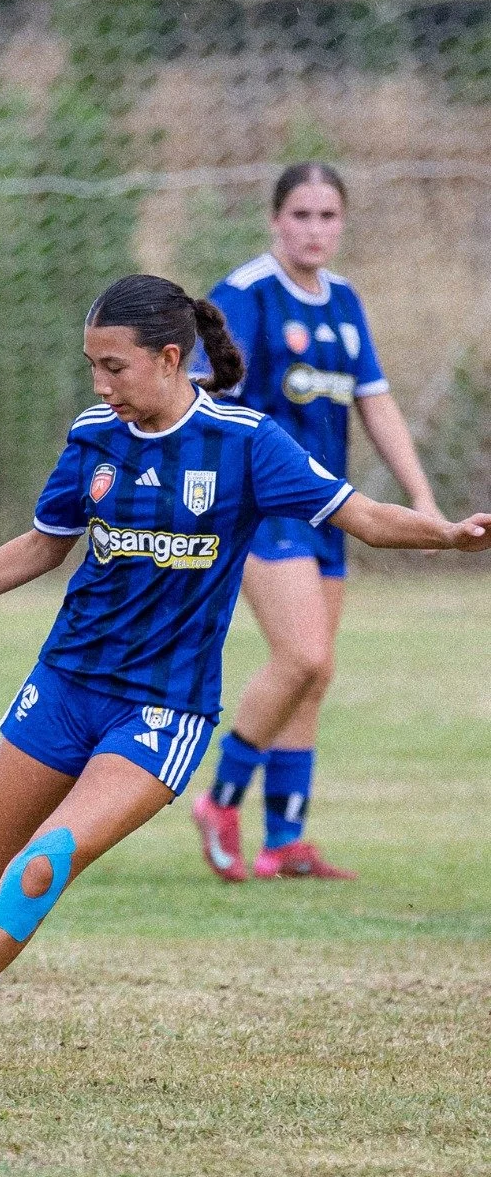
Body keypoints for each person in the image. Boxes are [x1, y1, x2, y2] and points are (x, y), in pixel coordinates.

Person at [0, 273, 491, 1102]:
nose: (100, 385)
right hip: (65, 686)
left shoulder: (247, 443)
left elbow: (359, 514)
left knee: (45, 862)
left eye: (114, 367)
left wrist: (444, 534)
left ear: (169, 358)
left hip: (163, 711)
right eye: (93, 367)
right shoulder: (93, 436)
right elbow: (44, 544)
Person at [191, 162, 443, 882]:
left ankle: (284, 841)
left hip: (331, 510)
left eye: (328, 216)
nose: (314, 229)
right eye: (300, 215)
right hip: (265, 508)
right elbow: (203, 401)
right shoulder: (246, 296)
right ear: (275, 220)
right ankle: (220, 799)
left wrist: (421, 500)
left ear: (343, 223)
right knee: (303, 658)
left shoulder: (344, 302)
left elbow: (376, 402)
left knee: (314, 676)